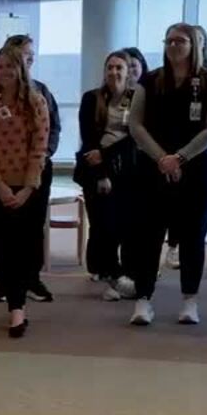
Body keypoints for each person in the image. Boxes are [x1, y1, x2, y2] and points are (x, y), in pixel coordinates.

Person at [128, 24, 207, 326]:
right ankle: (143, 300)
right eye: (169, 40)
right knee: (149, 235)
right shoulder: (150, 79)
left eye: (180, 41)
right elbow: (135, 124)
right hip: (154, 165)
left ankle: (190, 300)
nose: (173, 46)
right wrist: (163, 158)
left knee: (193, 235)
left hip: (196, 167)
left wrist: (180, 158)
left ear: (194, 44)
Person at [0, 45, 49, 338]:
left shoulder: (36, 102)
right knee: (2, 245)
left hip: (25, 187)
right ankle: (10, 296)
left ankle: (17, 310)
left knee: (20, 247)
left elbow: (39, 147)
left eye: (9, 66)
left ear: (21, 69)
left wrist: (28, 187)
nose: (3, 71)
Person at [0, 34, 60, 304]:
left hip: (37, 170)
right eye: (24, 55)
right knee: (8, 230)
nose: (29, 60)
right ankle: (6, 282)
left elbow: (53, 128)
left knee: (34, 227)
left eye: (31, 56)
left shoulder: (41, 91)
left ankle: (31, 279)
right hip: (6, 172)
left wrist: (43, 156)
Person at [75, 50, 137, 302]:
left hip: (127, 169)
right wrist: (101, 173)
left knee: (125, 226)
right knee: (103, 226)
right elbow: (89, 137)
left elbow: (135, 136)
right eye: (110, 67)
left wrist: (107, 153)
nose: (114, 72)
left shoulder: (137, 98)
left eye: (119, 68)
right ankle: (111, 276)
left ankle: (126, 274)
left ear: (128, 71)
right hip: (95, 171)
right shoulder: (92, 98)